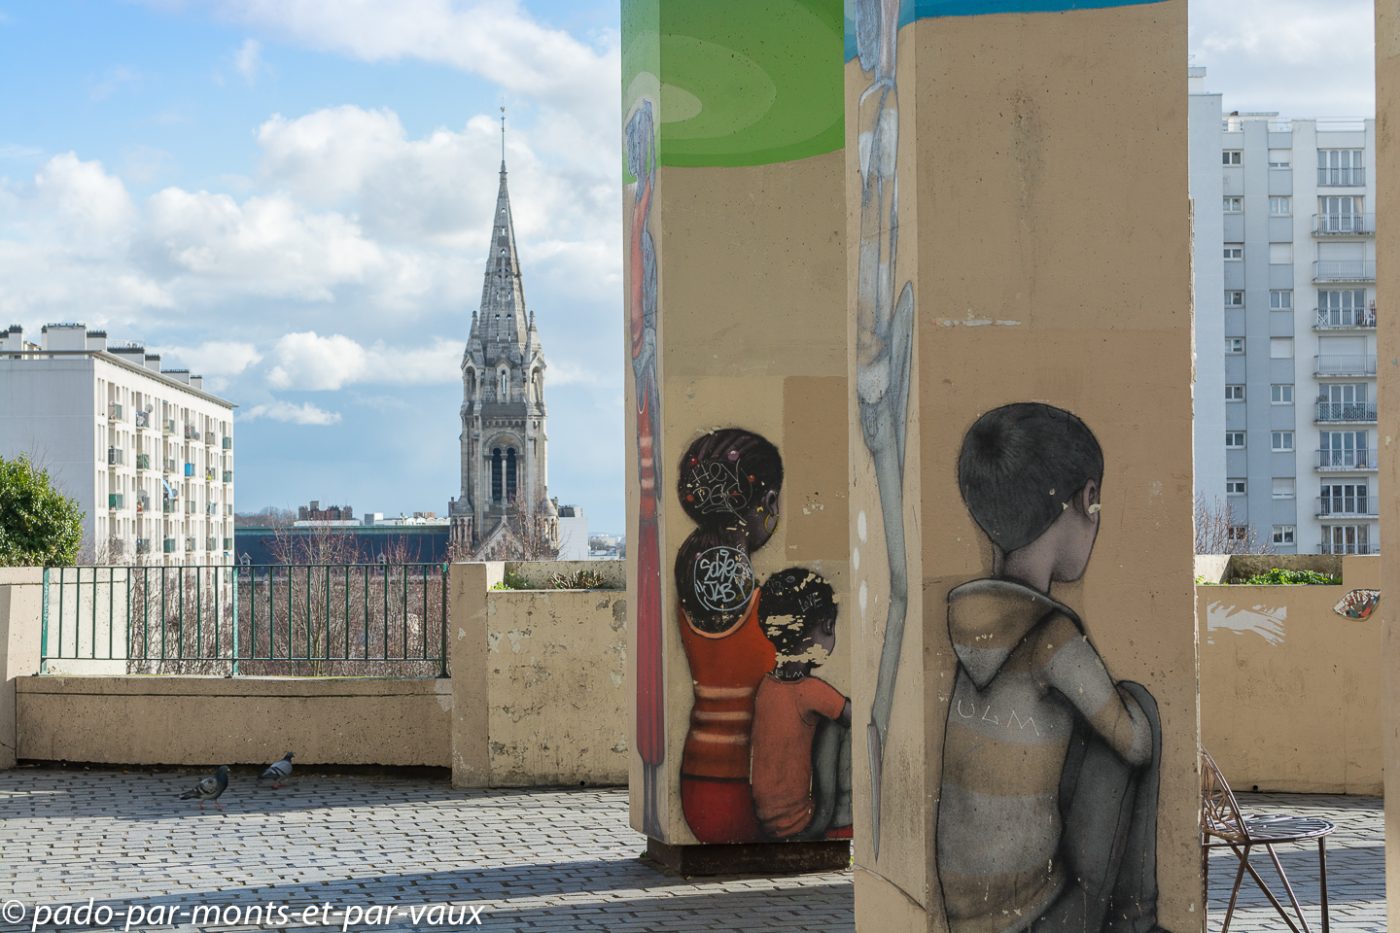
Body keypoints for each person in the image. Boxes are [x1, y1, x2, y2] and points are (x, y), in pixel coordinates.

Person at [937, 403, 1166, 933]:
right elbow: (1137, 745)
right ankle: (1137, 920)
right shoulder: (1050, 635)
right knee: (1136, 710)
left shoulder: (972, 620)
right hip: (1034, 918)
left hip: (966, 918)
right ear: (1088, 498)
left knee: (1079, 721)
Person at [674, 429, 783, 844]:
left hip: (695, 785)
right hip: (748, 795)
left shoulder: (688, 588)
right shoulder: (767, 607)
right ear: (768, 501)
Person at [750, 569, 853, 841]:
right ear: (827, 626)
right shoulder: (810, 691)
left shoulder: (766, 686)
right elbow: (857, 718)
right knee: (839, 724)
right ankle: (839, 819)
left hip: (765, 819)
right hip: (801, 822)